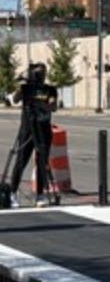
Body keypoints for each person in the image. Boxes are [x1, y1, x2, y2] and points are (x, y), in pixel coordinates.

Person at [9, 63, 58, 208]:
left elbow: (53, 106)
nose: (40, 76)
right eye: (37, 73)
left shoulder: (50, 89)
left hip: (43, 130)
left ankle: (40, 194)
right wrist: (21, 85)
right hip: (27, 130)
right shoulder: (26, 89)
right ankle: (13, 193)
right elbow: (15, 99)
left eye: (43, 73)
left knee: (42, 162)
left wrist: (46, 103)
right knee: (20, 162)